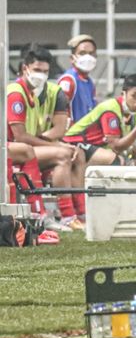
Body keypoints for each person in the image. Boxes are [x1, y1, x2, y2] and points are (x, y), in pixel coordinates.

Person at [7, 45, 86, 231]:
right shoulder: (16, 93)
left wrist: (54, 141)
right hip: (12, 147)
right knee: (63, 155)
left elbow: (59, 127)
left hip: (30, 146)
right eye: (37, 70)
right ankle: (64, 215)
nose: (41, 75)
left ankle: (81, 213)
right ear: (25, 68)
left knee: (77, 154)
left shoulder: (49, 91)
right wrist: (54, 145)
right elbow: (19, 136)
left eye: (45, 71)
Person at [63, 74, 136, 166]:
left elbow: (127, 145)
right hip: (74, 141)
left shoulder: (135, 115)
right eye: (134, 96)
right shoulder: (110, 109)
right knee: (116, 160)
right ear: (124, 94)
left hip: (95, 147)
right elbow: (116, 147)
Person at [58, 34, 98, 124]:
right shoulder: (69, 80)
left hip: (86, 134)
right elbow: (61, 112)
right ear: (72, 58)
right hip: (72, 136)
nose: (88, 57)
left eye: (91, 53)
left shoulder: (89, 82)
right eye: (82, 53)